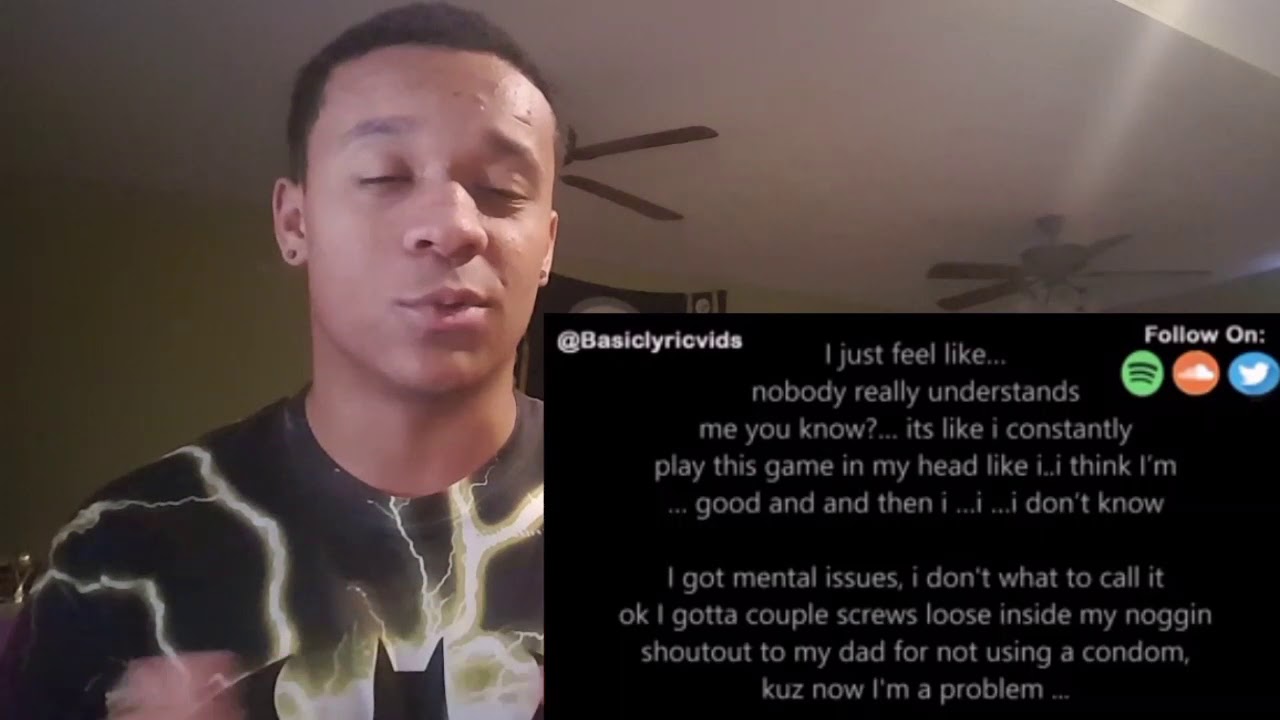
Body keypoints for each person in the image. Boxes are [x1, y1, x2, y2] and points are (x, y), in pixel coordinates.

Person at [0, 3, 556, 718]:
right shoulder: (119, 553)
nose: (452, 226)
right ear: (295, 224)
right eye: (384, 176)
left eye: (502, 189)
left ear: (547, 246)